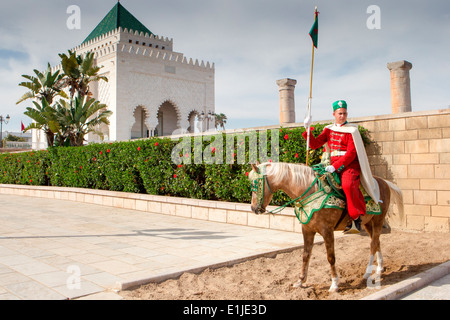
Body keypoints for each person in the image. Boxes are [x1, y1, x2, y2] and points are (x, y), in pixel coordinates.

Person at [302, 100, 370, 234]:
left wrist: (336, 166)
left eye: (344, 113)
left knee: (348, 185)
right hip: (331, 165)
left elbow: (351, 153)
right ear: (334, 114)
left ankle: (356, 218)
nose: (342, 116)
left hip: (349, 165)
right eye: (339, 113)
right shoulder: (328, 130)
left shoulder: (352, 130)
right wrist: (307, 128)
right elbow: (314, 144)